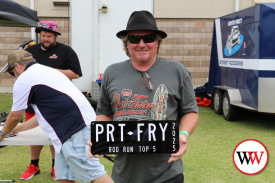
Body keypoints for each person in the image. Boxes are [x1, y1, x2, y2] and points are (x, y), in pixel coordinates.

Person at [88, 10, 199, 183]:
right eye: (134, 39)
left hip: (167, 174)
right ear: (127, 44)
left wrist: (183, 134)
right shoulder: (112, 72)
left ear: (157, 42)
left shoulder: (177, 71)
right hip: (124, 173)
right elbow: (104, 113)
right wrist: (99, 137)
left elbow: (190, 111)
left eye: (148, 38)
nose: (141, 44)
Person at [0, 50, 113, 183]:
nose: (14, 75)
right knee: (63, 176)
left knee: (94, 174)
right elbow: (42, 117)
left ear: (17, 66)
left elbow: (15, 116)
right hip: (78, 126)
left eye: (12, 71)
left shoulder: (24, 79)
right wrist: (17, 129)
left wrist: (2, 134)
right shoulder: (47, 71)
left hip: (74, 128)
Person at [22, 20, 83, 180]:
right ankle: (33, 165)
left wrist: (51, 71)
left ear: (55, 36)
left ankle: (56, 166)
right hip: (33, 100)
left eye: (49, 36)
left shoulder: (66, 51)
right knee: (33, 135)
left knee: (54, 135)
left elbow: (75, 74)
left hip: (57, 104)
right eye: (43, 35)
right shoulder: (30, 51)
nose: (45, 39)